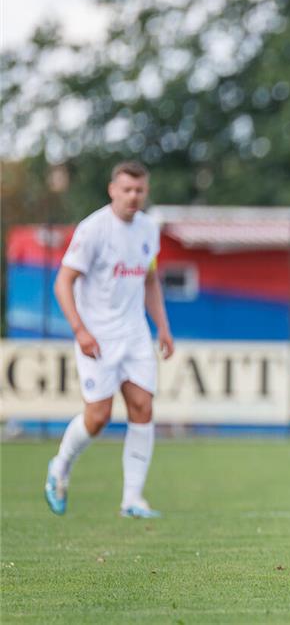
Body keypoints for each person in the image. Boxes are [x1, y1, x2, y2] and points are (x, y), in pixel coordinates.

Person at [44, 161, 174, 519]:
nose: (133, 196)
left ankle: (132, 500)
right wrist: (80, 330)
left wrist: (163, 327)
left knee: (142, 407)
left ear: (146, 192)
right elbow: (63, 282)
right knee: (98, 417)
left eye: (139, 190)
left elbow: (150, 280)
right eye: (127, 189)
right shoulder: (93, 230)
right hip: (98, 336)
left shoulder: (148, 229)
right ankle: (60, 465)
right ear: (112, 190)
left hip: (135, 334)